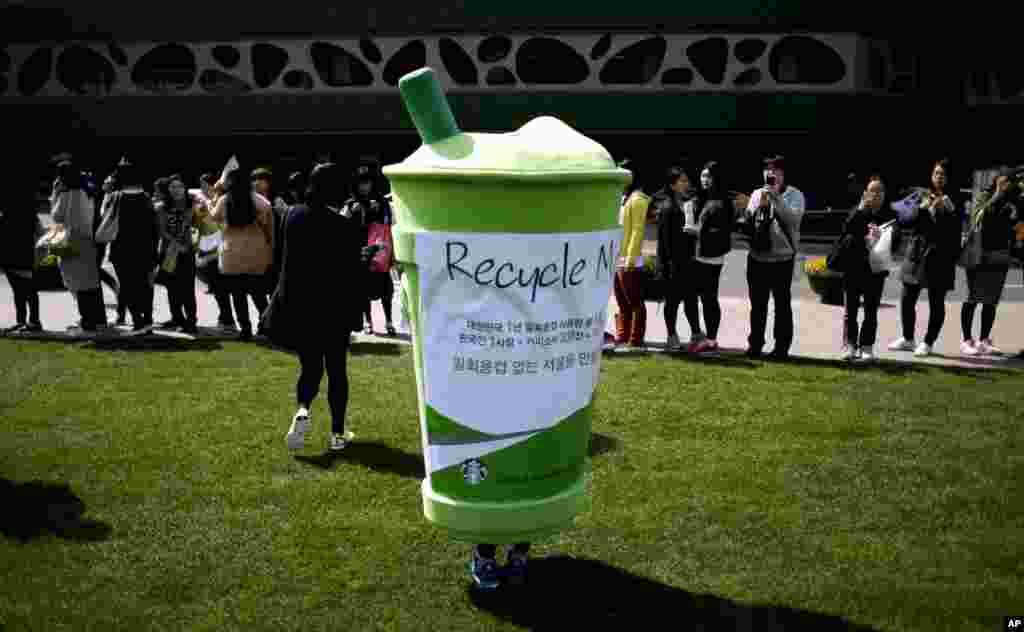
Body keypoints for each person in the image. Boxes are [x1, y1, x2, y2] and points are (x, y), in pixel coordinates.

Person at [266, 163, 368, 452]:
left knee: (310, 367)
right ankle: (337, 434)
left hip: (299, 306)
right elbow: (348, 268)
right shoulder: (343, 225)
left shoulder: (292, 214)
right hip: (333, 309)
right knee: (337, 370)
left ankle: (302, 410)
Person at [888, 159, 960, 358]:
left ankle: (928, 342)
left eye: (943, 175)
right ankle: (908, 339)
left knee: (936, 301)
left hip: (940, 256)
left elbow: (955, 230)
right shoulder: (922, 195)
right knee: (906, 297)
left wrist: (945, 211)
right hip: (916, 253)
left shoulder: (956, 200)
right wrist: (920, 208)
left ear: (949, 178)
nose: (939, 177)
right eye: (936, 173)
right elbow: (904, 221)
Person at [742, 155, 806, 359]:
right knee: (757, 306)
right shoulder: (756, 194)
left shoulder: (795, 195)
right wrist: (754, 208)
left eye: (776, 170)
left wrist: (776, 198)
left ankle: (781, 347)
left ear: (783, 174)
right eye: (767, 170)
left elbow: (794, 221)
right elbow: (750, 224)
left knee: (782, 306)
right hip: (757, 258)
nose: (771, 174)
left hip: (782, 260)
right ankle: (755, 344)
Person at [959, 168, 1019, 356]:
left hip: (1000, 254)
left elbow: (1015, 222)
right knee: (972, 298)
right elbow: (980, 217)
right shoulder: (984, 196)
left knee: (991, 301)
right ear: (996, 180)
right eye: (1003, 180)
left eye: (1009, 181)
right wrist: (997, 195)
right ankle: (967, 340)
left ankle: (984, 339)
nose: (1006, 184)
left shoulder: (1014, 200)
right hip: (979, 253)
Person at [209, 167, 272, 341]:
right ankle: (265, 325)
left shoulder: (224, 200)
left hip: (232, 255)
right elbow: (268, 226)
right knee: (259, 293)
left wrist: (212, 198)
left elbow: (213, 216)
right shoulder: (261, 202)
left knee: (238, 295)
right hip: (256, 253)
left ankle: (245, 329)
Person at [834, 175, 893, 362]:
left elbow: (896, 240)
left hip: (875, 269)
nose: (876, 195)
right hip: (853, 267)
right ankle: (850, 345)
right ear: (865, 193)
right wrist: (860, 209)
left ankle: (867, 346)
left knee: (871, 311)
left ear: (884, 195)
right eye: (872, 191)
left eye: (879, 191)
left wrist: (883, 234)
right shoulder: (857, 211)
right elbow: (847, 230)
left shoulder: (888, 215)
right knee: (850, 310)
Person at [51, 160, 106, 333]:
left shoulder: (67, 193)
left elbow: (57, 216)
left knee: (78, 283)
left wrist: (55, 193)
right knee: (92, 283)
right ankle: (99, 320)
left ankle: (87, 321)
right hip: (88, 238)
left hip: (71, 241)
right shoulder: (87, 189)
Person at [107, 160, 160, 333]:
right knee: (143, 285)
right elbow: (154, 227)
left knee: (128, 286)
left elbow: (105, 219)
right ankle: (147, 319)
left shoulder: (115, 197)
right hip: (145, 248)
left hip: (121, 249)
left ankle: (138, 320)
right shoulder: (145, 198)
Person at [687, 160, 734, 353]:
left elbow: (721, 232)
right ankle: (702, 335)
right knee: (698, 297)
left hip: (712, 256)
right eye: (702, 175)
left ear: (716, 178)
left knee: (709, 298)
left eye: (708, 176)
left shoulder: (723, 202)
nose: (703, 179)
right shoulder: (704, 198)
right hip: (699, 254)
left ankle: (712, 339)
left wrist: (696, 231)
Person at [343, 166, 396, 335]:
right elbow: (343, 227)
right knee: (363, 289)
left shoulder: (383, 203)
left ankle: (389, 321)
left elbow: (392, 227)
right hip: (361, 252)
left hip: (380, 252)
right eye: (361, 184)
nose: (364, 187)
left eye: (367, 183)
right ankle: (368, 321)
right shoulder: (350, 205)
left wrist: (393, 254)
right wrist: (356, 213)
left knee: (385, 289)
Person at [655, 166, 700, 350]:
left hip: (688, 261)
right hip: (673, 264)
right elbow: (664, 241)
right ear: (673, 185)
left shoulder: (687, 204)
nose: (686, 184)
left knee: (691, 300)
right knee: (672, 302)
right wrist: (665, 266)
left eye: (687, 180)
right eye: (682, 181)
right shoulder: (667, 207)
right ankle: (671, 335)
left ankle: (696, 334)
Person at [155, 174, 201, 335]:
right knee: (172, 288)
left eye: (180, 186)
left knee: (187, 288)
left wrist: (189, 245)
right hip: (169, 253)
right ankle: (178, 318)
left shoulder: (193, 205)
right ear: (168, 189)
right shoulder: (161, 207)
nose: (176, 190)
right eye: (173, 187)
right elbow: (162, 231)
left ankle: (191, 320)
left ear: (185, 188)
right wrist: (176, 245)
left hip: (187, 252)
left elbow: (199, 227)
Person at [615, 166, 653, 350]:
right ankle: (622, 336)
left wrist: (630, 258)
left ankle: (636, 339)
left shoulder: (638, 200)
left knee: (635, 301)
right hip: (617, 257)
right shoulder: (623, 198)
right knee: (622, 302)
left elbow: (638, 230)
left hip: (629, 260)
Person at [196, 173, 236, 331]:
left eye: (203, 184)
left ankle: (228, 320)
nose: (202, 187)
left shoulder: (221, 200)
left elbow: (216, 221)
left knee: (220, 286)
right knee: (217, 286)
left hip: (218, 245)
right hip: (210, 243)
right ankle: (225, 318)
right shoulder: (213, 200)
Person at [0, 200, 43, 332]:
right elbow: (40, 233)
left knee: (23, 291)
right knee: (26, 291)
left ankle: (29, 321)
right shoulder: (29, 214)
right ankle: (28, 321)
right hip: (20, 257)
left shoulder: (7, 213)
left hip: (15, 258)